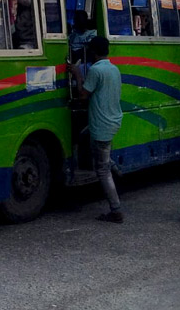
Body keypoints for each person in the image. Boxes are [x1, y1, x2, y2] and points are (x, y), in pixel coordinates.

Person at [69, 36, 124, 223]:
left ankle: (115, 210)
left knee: (102, 170)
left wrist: (76, 73)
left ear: (93, 52)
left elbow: (83, 94)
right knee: (84, 137)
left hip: (101, 126)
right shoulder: (114, 69)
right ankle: (114, 166)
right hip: (112, 121)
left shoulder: (96, 70)